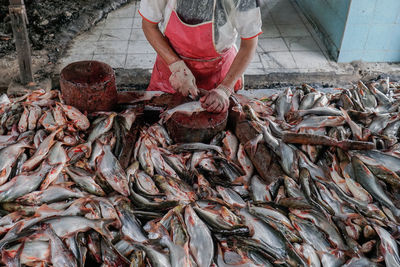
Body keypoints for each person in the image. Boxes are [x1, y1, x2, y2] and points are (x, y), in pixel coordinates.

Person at [139, 0, 262, 113]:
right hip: (170, 68)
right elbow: (149, 25)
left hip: (219, 73)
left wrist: (225, 89)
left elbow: (249, 44)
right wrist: (175, 65)